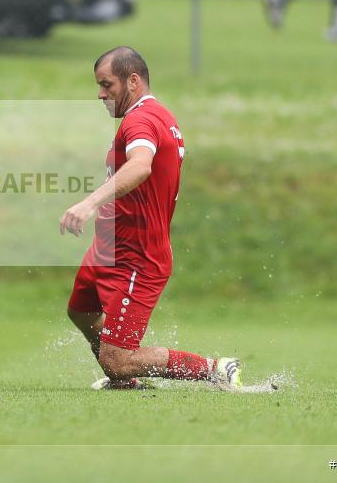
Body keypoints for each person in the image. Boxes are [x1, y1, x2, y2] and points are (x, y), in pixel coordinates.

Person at [60, 46, 243, 390]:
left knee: (117, 360)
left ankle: (216, 369)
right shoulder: (159, 116)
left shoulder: (141, 119)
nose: (100, 94)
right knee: (81, 310)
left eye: (106, 84)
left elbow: (141, 165)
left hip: (137, 257)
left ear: (133, 81)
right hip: (110, 248)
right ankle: (123, 377)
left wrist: (88, 203)